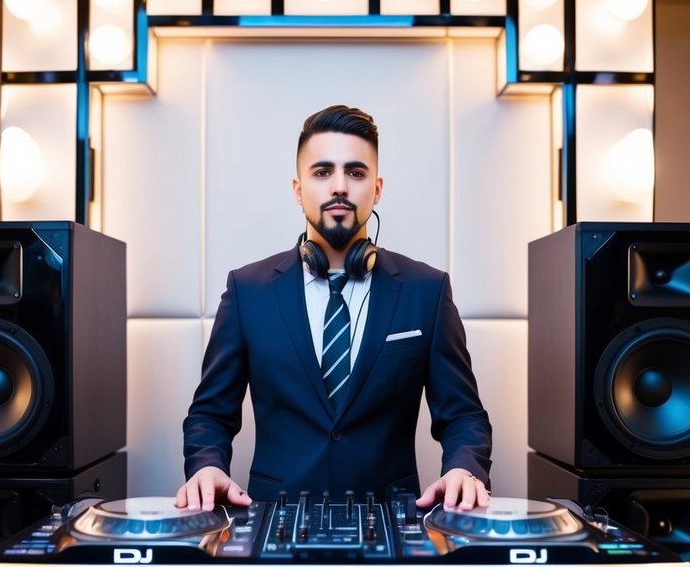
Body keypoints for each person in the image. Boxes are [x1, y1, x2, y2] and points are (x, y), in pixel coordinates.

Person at [176, 104, 493, 513]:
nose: (339, 186)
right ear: (298, 188)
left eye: (355, 173)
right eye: (322, 172)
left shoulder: (426, 291)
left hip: (390, 522)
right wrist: (205, 465)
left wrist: (465, 469)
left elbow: (464, 416)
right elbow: (210, 414)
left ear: (376, 189)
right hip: (277, 518)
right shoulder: (247, 290)